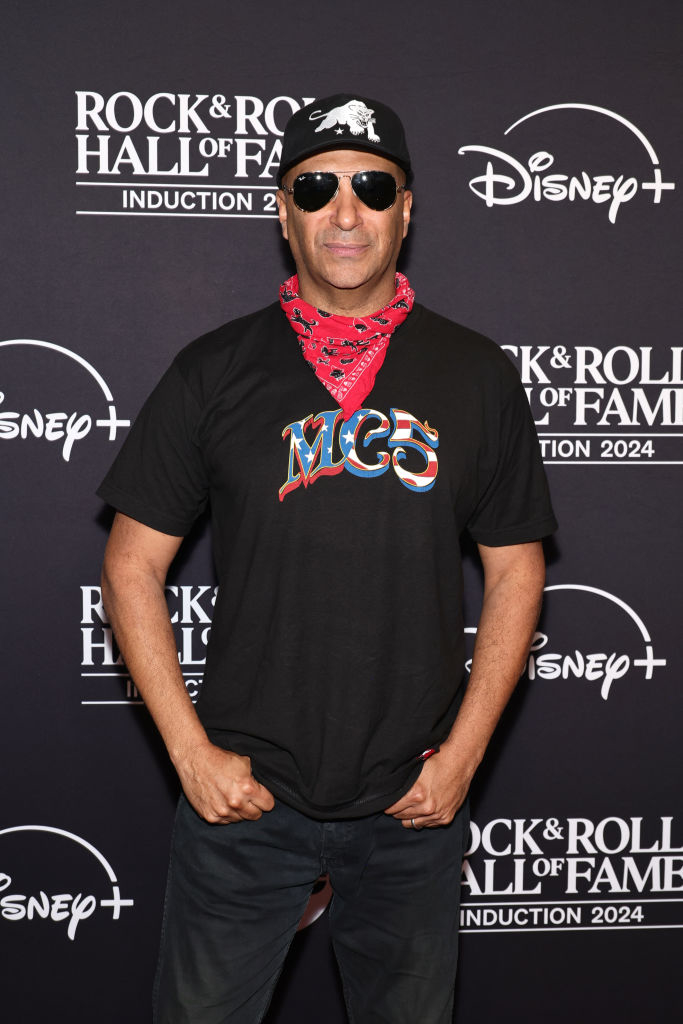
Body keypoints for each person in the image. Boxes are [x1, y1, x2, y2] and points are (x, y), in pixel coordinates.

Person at [98, 93, 557, 1024]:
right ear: (282, 210)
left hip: (409, 805)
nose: (344, 212)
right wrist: (190, 756)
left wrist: (462, 761)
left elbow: (515, 570)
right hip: (246, 808)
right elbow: (130, 564)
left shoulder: (474, 374)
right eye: (315, 188)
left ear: (406, 208)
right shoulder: (213, 369)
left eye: (370, 187)